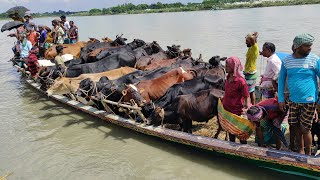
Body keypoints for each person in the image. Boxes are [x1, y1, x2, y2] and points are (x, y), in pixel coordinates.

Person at [278, 33, 320, 155]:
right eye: (307, 46)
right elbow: (281, 80)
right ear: (297, 47)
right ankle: (300, 149)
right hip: (293, 100)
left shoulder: (314, 59)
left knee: (305, 128)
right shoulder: (287, 61)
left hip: (309, 100)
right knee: (295, 126)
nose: (310, 48)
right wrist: (281, 99)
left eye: (310, 45)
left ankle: (308, 153)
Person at [222, 56, 250, 144]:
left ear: (233, 67)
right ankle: (232, 146)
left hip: (237, 112)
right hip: (228, 110)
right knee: (231, 131)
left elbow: (246, 96)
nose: (225, 68)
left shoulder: (241, 81)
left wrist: (246, 109)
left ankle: (243, 150)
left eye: (227, 66)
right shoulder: (227, 78)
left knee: (241, 134)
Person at [244, 32, 259, 105]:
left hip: (251, 73)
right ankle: (253, 105)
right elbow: (255, 35)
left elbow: (253, 40)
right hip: (249, 72)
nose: (245, 42)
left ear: (251, 41)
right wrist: (253, 35)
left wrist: (252, 36)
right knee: (251, 91)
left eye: (247, 41)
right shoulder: (251, 48)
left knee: (249, 91)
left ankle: (252, 105)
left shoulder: (254, 47)